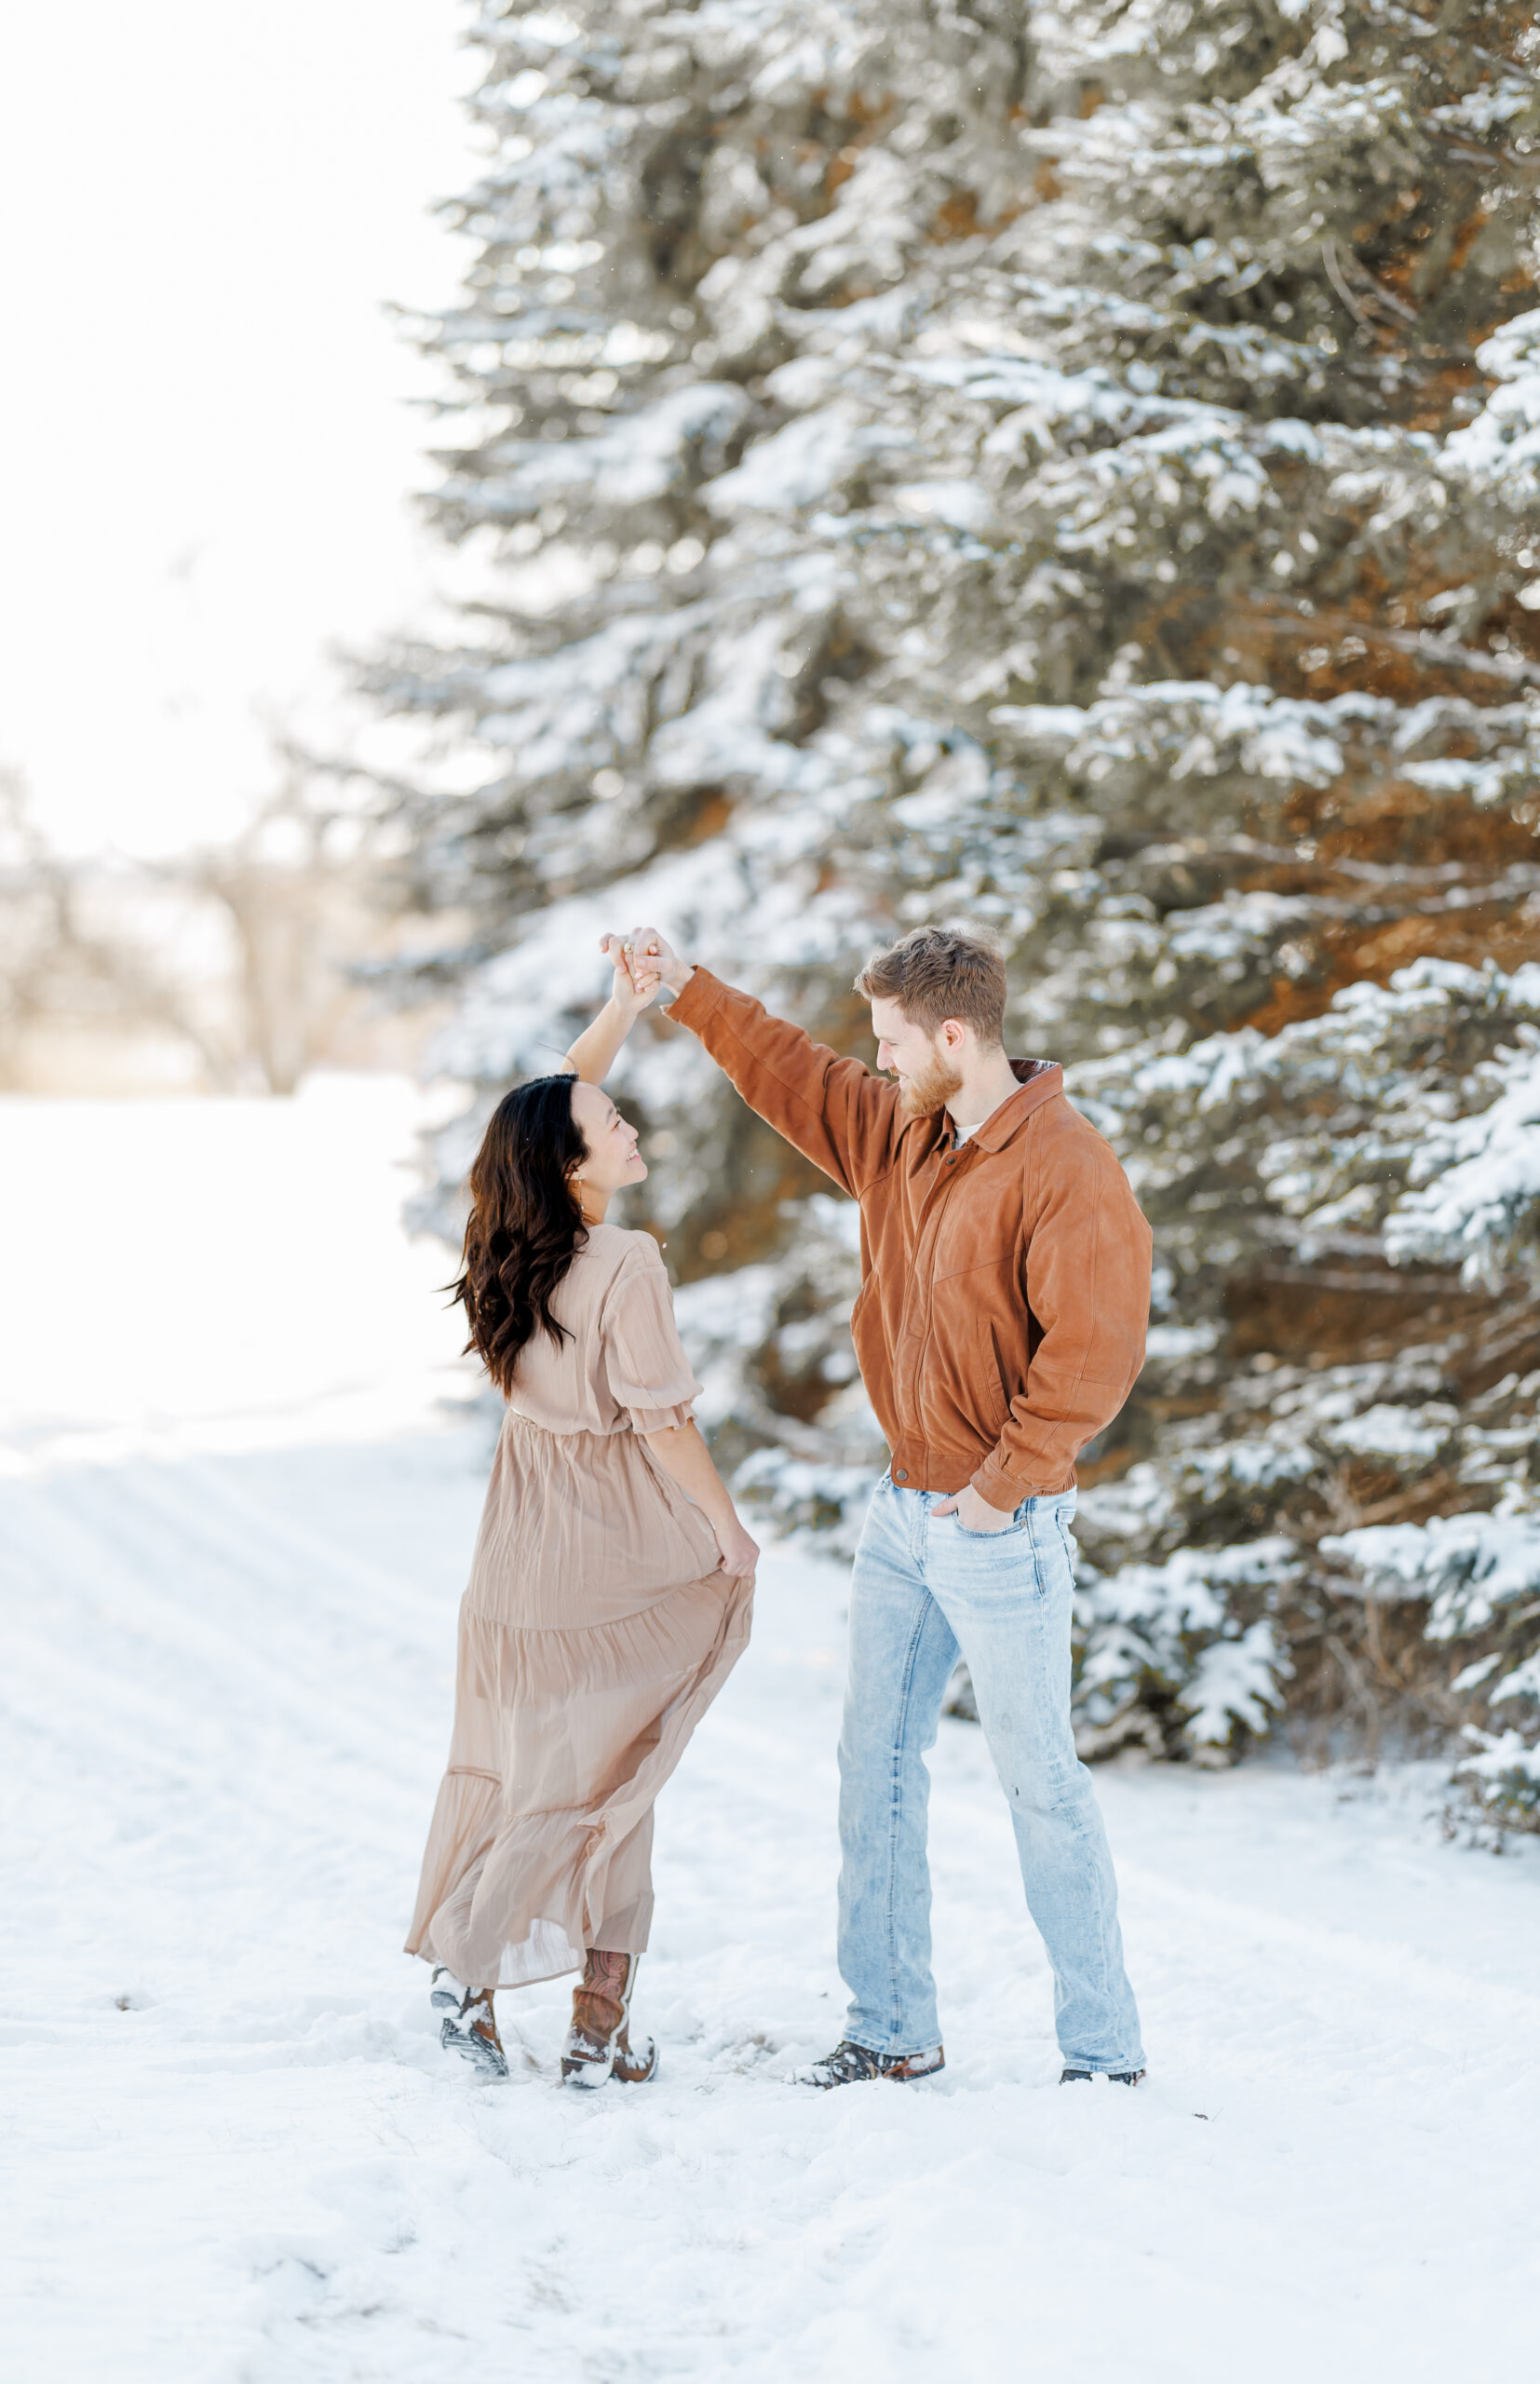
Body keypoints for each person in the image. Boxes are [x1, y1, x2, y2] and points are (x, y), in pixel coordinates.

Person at [619, 922, 1149, 2090]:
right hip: (902, 1516)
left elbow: (1094, 1359)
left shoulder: (1064, 1165)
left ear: (954, 1036)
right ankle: (892, 2029)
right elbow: (793, 1070)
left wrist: (995, 1490)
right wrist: (687, 990)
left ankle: (1103, 2055)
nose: (880, 1058)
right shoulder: (902, 1129)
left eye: (894, 1039)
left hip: (999, 1527)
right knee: (876, 1764)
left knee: (1039, 1781)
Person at [406, 947, 758, 2087]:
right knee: (613, 1777)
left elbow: (546, 1099)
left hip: (516, 1555)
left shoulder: (504, 1238)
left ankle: (583, 2019)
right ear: (571, 1162)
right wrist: (729, 1531)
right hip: (616, 1550)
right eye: (613, 1123)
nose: (631, 1127)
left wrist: (620, 1009)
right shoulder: (625, 1263)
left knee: (564, 1776)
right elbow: (662, 1425)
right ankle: (533, 2000)